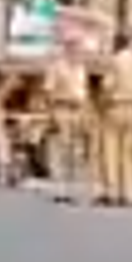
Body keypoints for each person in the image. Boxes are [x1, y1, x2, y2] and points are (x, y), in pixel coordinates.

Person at [93, 35, 132, 206]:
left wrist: (101, 105)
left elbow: (108, 86)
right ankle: (130, 193)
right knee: (128, 155)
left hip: (115, 107)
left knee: (111, 151)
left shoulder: (114, 61)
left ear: (116, 44)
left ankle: (114, 192)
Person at [43, 50, 91, 203]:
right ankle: (59, 190)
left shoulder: (81, 69)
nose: (75, 51)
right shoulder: (57, 67)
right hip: (61, 109)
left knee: (75, 154)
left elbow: (84, 92)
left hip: (77, 112)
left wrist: (84, 115)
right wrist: (52, 115)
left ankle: (72, 191)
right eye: (72, 46)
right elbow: (48, 91)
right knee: (59, 152)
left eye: (77, 46)